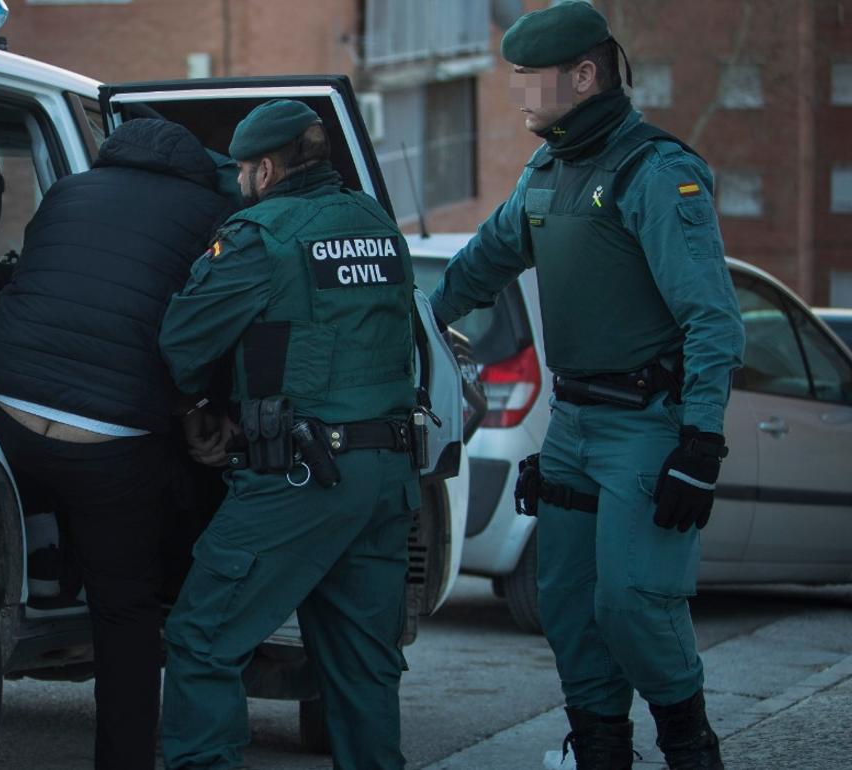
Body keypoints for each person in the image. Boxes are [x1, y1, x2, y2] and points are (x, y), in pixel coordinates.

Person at [429, 4, 745, 769]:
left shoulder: (656, 172)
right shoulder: (547, 172)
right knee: (569, 605)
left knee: (633, 602)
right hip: (572, 424)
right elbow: (479, 265)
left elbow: (714, 320)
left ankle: (689, 747)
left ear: (583, 75)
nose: (518, 99)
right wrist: (415, 325)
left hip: (646, 425)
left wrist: (700, 442)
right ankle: (601, 750)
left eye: (529, 80)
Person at [158, 99, 422, 770]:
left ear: (267, 168)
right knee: (363, 667)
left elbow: (185, 341)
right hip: (387, 475)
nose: (239, 181)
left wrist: (197, 411)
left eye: (244, 170)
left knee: (202, 637)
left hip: (303, 479)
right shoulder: (378, 225)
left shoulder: (259, 234)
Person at [0, 117, 230, 770]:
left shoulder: (68, 190)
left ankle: (56, 565)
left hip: (3, 409)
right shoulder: (214, 213)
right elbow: (201, 330)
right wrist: (200, 411)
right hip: (109, 439)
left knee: (66, 490)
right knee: (126, 613)